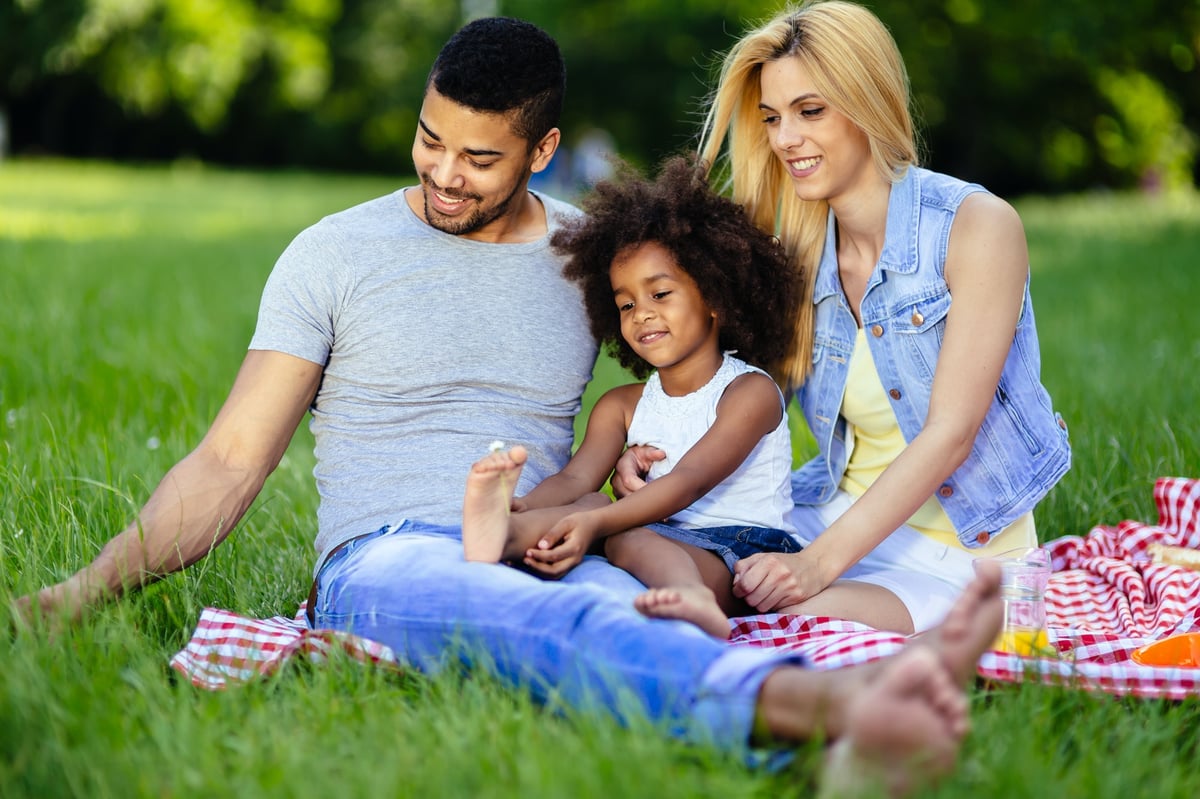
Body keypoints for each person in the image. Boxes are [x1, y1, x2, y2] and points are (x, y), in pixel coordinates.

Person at [14, 15, 1006, 795]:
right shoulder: (331, 254)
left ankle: (825, 758)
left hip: (551, 537)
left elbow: (698, 371)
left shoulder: (599, 257)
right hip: (392, 548)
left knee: (647, 626)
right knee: (550, 626)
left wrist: (635, 460)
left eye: (479, 158)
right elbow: (232, 460)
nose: (444, 174)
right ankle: (842, 700)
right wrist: (80, 594)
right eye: (429, 139)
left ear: (543, 151)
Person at [616, 0, 1071, 636]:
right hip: (828, 515)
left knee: (777, 618)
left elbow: (950, 433)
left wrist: (814, 566)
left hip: (964, 556)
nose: (784, 139)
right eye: (773, 118)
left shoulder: (975, 226)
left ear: (867, 101)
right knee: (639, 553)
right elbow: (728, 384)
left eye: (810, 112)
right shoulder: (800, 257)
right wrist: (642, 448)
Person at [461, 155, 802, 640]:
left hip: (742, 554)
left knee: (615, 525)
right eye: (626, 304)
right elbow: (576, 477)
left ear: (713, 296)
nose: (642, 314)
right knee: (587, 498)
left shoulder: (749, 392)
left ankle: (692, 598)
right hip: (658, 532)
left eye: (660, 294)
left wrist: (592, 521)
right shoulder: (621, 404)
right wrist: (527, 504)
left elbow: (686, 482)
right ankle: (503, 531)